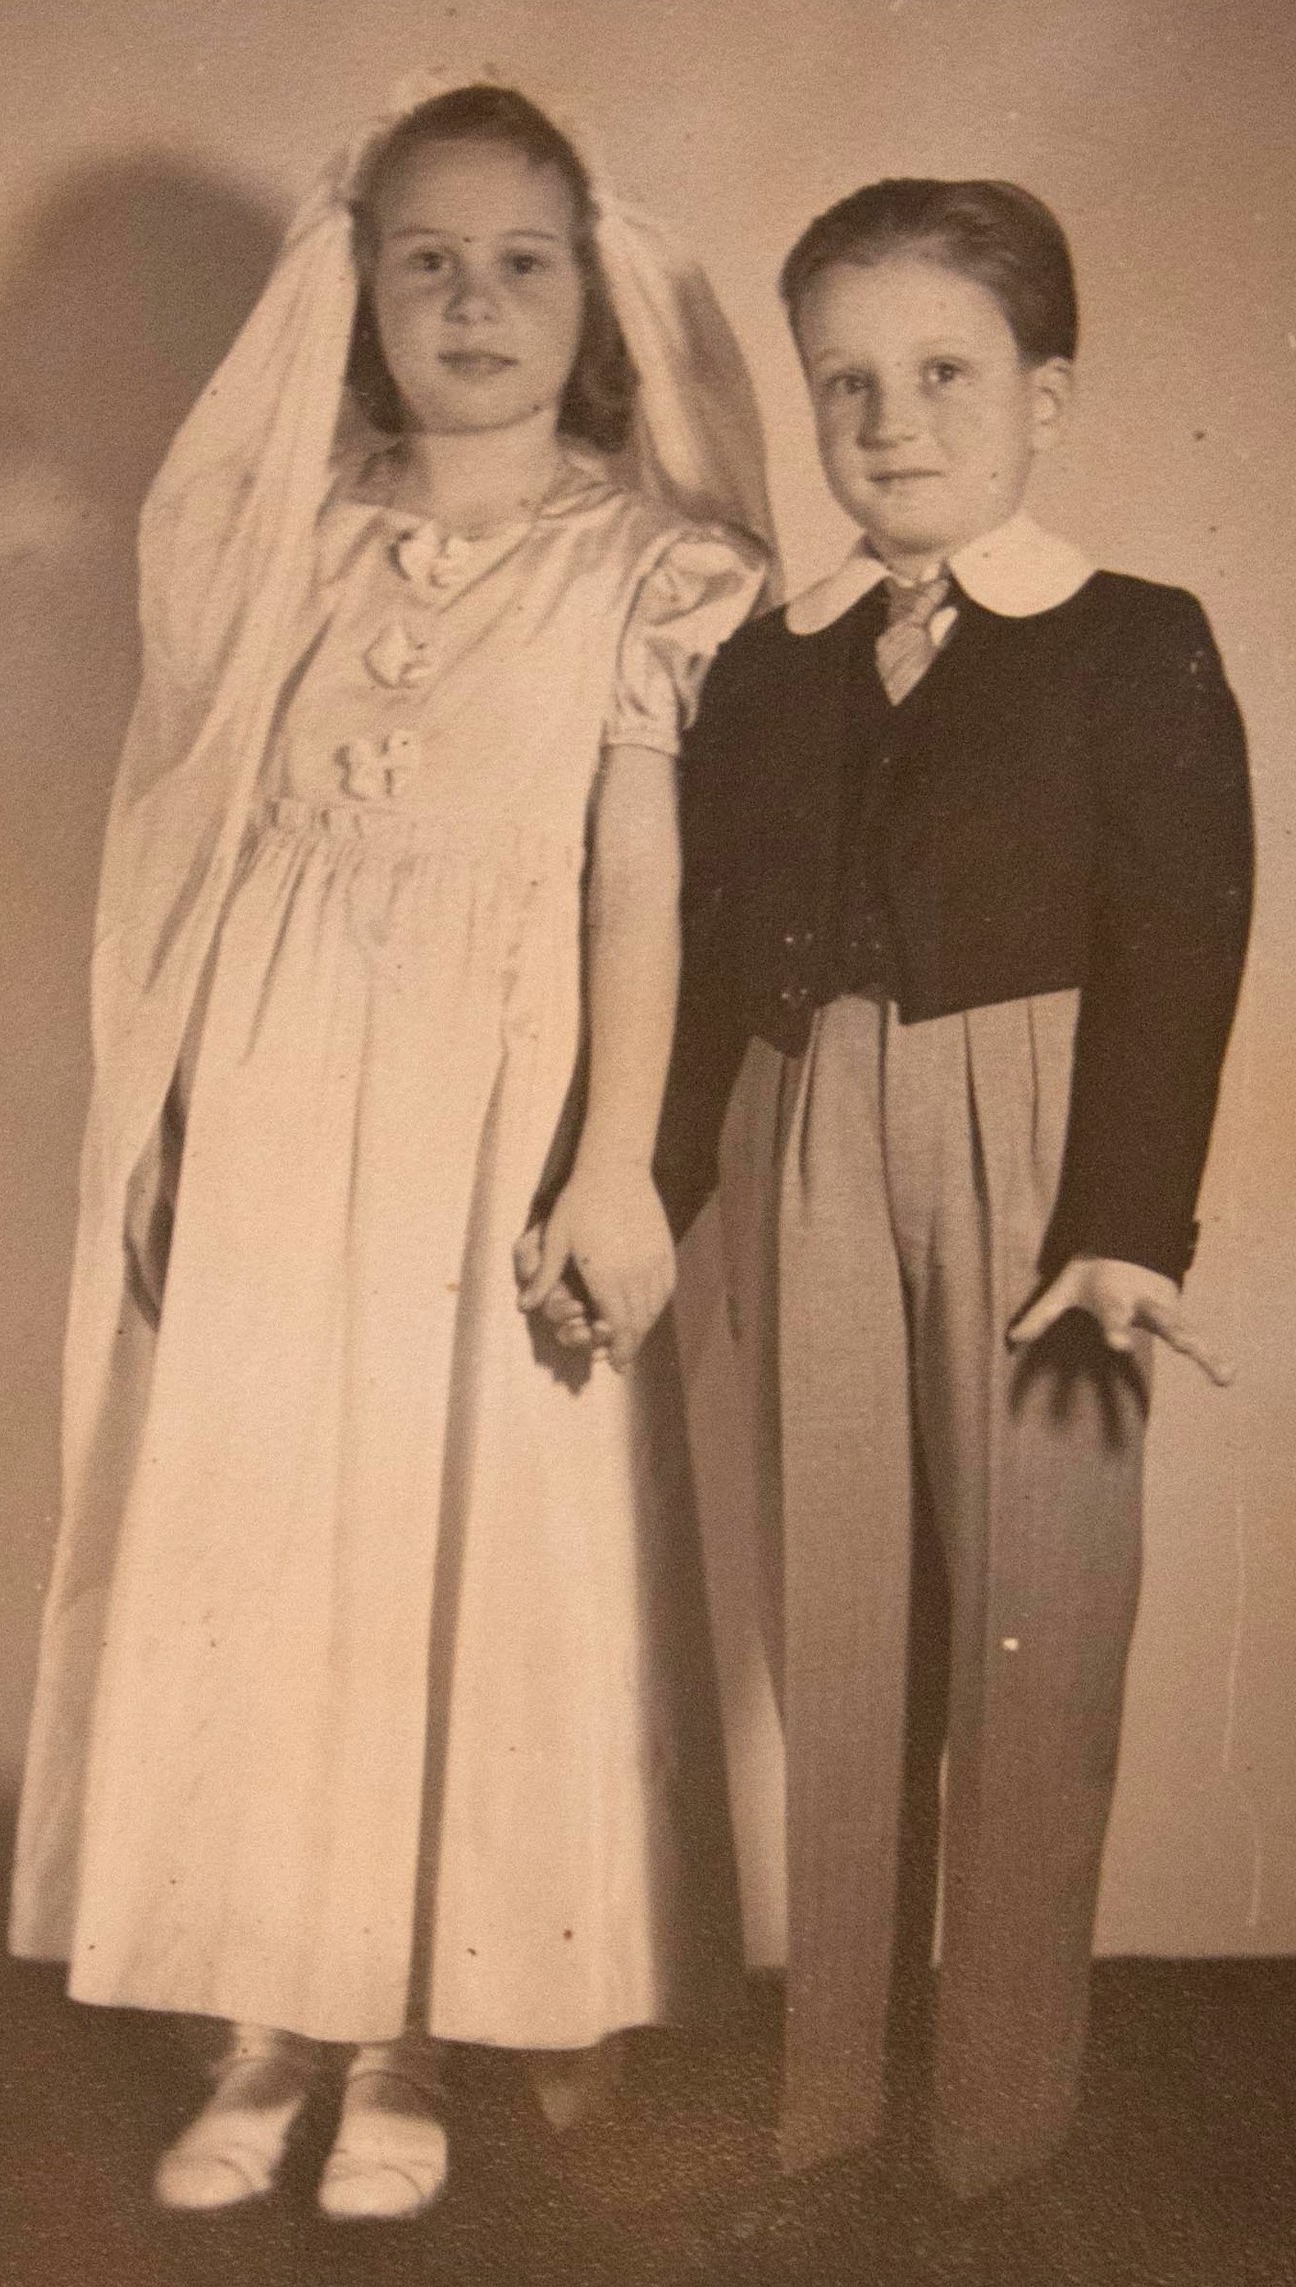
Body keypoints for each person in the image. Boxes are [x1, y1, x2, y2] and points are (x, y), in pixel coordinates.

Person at [9, 79, 771, 2221]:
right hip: (275, 1094)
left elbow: (645, 889)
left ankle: (406, 2036)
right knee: (265, 1541)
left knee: (460, 1544)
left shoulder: (642, 566)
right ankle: (265, 2020)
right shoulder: (291, 540)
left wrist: (612, 1165)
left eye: (522, 262)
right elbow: (207, 846)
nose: (473, 302)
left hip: (495, 1113)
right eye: (424, 260)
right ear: (355, 292)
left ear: (593, 297)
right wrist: (168, 1119)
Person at [657, 177, 1253, 2198]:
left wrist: (1128, 1224)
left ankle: (1001, 2124)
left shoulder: (1134, 643)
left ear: (1045, 395)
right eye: (845, 384)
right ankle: (832, 2097)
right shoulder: (769, 666)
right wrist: (648, 1193)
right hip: (811, 1126)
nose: (889, 422)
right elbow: (707, 955)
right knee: (842, 1628)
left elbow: (1182, 943)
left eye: (941, 373)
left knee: (1036, 1631)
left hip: (1048, 1166)